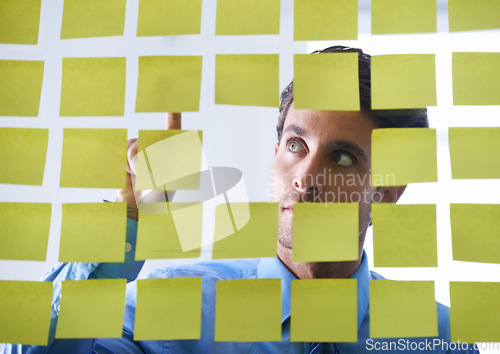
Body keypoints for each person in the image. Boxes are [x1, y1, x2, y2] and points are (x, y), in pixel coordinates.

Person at [3, 46, 479, 353]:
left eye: (343, 158)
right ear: (275, 156)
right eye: (296, 146)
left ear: (387, 192)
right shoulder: (172, 308)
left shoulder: (438, 339)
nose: (306, 179)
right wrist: (119, 226)